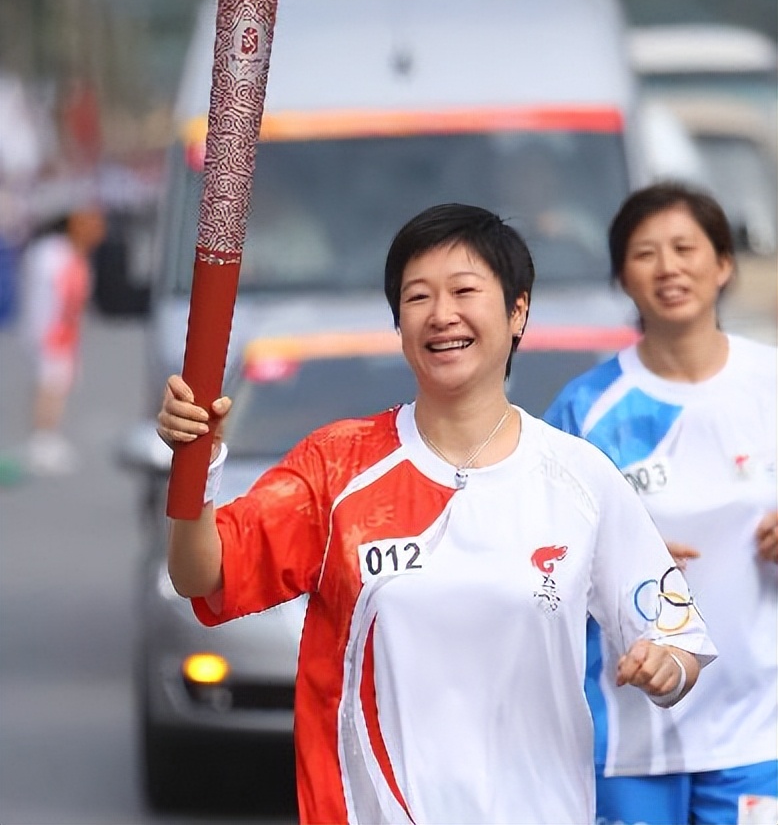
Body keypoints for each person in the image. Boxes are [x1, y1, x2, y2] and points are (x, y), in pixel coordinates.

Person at [158, 202, 715, 825]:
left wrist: (667, 666)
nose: (441, 314)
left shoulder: (579, 478)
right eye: (418, 297)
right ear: (399, 324)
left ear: (517, 311)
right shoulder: (336, 469)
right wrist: (196, 465)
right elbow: (200, 574)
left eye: (465, 291)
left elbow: (675, 633)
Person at [545, 182, 777, 825]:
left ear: (723, 263)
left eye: (685, 248)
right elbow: (539, 554)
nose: (669, 267)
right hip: (629, 734)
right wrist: (604, 554)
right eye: (646, 253)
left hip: (760, 730)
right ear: (623, 275)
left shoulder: (771, 387)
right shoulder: (585, 409)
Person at [18, 203, 106, 473]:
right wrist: (46, 331)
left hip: (65, 332)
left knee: (59, 384)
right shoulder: (52, 254)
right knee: (50, 384)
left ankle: (48, 436)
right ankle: (42, 440)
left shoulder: (76, 256)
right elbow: (48, 296)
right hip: (51, 330)